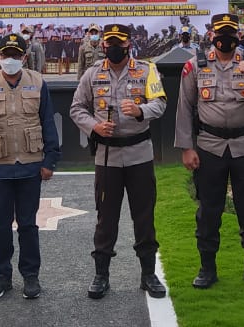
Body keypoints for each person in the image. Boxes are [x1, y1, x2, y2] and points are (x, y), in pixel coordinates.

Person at [174, 13, 244, 290]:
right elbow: (184, 108)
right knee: (209, 211)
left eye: (231, 34)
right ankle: (207, 268)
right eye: (220, 33)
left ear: (238, 37)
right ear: (211, 35)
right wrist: (186, 147)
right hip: (210, 147)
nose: (225, 39)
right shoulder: (195, 65)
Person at [69, 24, 167, 300]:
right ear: (103, 46)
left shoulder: (147, 70)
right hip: (107, 156)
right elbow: (76, 108)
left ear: (128, 44)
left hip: (139, 154)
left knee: (144, 216)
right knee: (106, 218)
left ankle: (148, 274)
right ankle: (101, 274)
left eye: (118, 42)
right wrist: (93, 127)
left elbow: (160, 103)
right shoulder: (92, 74)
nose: (113, 46)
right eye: (109, 42)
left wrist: (140, 110)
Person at [0, 34, 61, 300]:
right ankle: (1, 276)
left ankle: (30, 276)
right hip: (0, 166)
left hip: (30, 164)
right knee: (0, 225)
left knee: (28, 224)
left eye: (16, 55)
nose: (11, 60)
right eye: (6, 55)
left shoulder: (38, 82)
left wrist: (50, 160)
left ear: (24, 58)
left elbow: (47, 121)